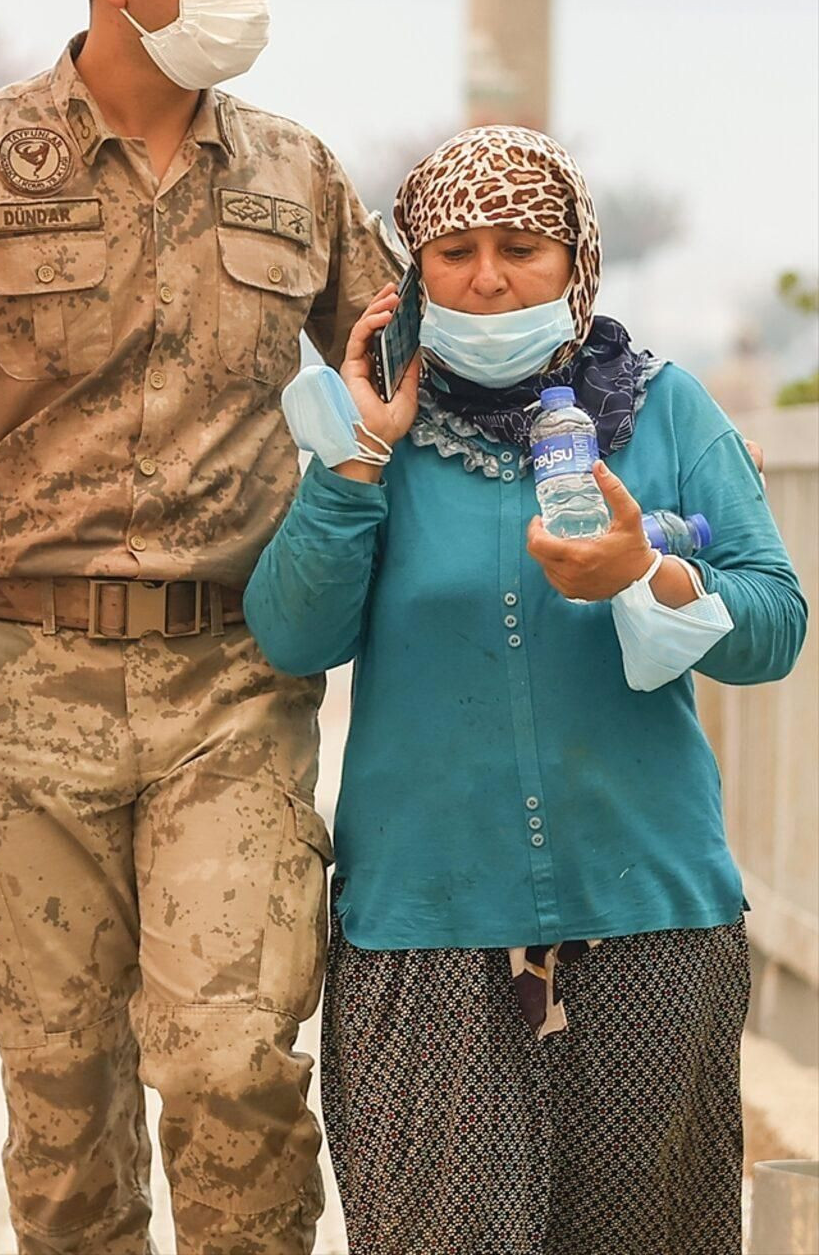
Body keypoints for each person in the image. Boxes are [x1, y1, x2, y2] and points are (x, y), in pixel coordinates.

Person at [0, 0, 401, 1255]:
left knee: (230, 1065)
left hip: (233, 685)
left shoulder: (301, 178)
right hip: (20, 689)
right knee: (62, 1085)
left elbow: (412, 382)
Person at [244, 126, 807, 1255]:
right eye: (452, 250)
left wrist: (647, 571)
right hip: (426, 933)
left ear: (576, 263)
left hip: (649, 921)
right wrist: (356, 456)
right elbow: (292, 635)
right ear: (413, 270)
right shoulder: (377, 432)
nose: (487, 277)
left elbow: (774, 626)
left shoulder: (664, 409)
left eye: (521, 247)